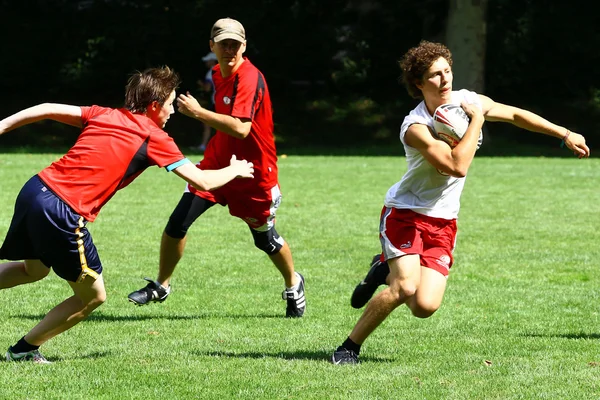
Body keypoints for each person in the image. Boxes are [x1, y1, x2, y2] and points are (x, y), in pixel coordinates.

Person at [331, 40, 590, 365]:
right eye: (435, 75)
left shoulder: (467, 101)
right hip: (406, 213)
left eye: (447, 71)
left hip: (443, 220)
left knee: (425, 307)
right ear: (418, 83)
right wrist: (478, 122)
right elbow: (456, 166)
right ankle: (349, 346)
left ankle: (383, 269)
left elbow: (513, 114)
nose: (445, 79)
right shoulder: (415, 127)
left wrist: (564, 133)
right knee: (406, 288)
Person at [0, 66, 254, 363]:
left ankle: (24, 349)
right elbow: (203, 182)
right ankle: (23, 350)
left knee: (34, 270)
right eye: (171, 104)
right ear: (155, 106)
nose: (172, 112)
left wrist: (2, 126)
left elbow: (45, 108)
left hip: (34, 191)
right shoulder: (153, 136)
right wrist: (235, 169)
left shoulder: (104, 114)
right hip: (62, 209)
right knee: (93, 297)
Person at [127, 18, 306, 318]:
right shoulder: (215, 73)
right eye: (223, 44)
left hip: (252, 172)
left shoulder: (249, 78)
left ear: (244, 46)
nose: (229, 50)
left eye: (235, 44)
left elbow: (242, 129)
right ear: (212, 46)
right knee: (177, 223)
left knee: (265, 238)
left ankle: (293, 283)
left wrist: (198, 113)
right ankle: (162, 284)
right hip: (217, 165)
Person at [192, 52, 218, 153]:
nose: (206, 62)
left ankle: (204, 145)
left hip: (215, 101)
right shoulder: (225, 69)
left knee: (207, 124)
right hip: (223, 101)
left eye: (208, 60)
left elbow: (207, 88)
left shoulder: (211, 72)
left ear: (212, 61)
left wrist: (201, 84)